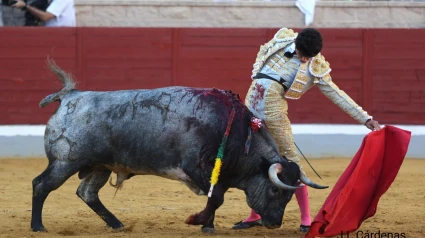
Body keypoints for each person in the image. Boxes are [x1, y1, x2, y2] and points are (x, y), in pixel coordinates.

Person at [232, 27, 381, 232]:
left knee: (293, 163)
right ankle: (255, 215)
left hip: (275, 114)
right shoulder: (283, 40)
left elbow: (337, 94)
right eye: (302, 54)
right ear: (297, 45)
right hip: (250, 107)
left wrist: (365, 118)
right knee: (254, 161)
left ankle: (306, 219)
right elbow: (261, 59)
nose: (303, 59)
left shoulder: (315, 66)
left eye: (307, 56)